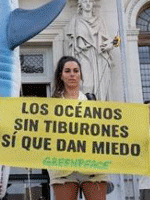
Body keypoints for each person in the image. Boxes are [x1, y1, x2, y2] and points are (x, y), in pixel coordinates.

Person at [48, 56, 108, 200]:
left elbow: (109, 131)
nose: (72, 74)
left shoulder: (92, 102)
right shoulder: (51, 105)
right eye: (67, 71)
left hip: (93, 165)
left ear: (80, 74)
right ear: (61, 76)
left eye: (76, 71)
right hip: (62, 167)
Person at [64, 0, 116, 101]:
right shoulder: (75, 20)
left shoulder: (99, 20)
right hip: (82, 55)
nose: (88, 4)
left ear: (93, 4)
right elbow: (71, 45)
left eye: (90, 1)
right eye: (85, 2)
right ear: (80, 4)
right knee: (86, 84)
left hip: (99, 57)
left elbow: (109, 41)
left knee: (99, 86)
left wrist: (111, 44)